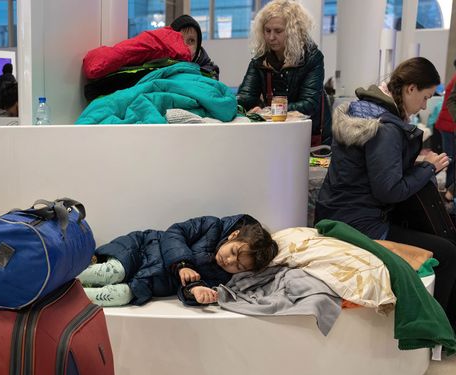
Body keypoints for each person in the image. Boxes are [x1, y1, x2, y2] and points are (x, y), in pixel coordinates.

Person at [315, 57, 456, 327]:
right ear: (410, 89)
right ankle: (439, 331)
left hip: (340, 214)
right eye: (425, 97)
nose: (425, 106)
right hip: (362, 225)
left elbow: (369, 171)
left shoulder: (363, 111)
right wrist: (428, 169)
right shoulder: (387, 128)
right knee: (448, 253)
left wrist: (410, 164)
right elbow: (389, 190)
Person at [77, 215, 278, 307]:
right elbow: (174, 232)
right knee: (114, 272)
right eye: (233, 252)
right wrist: (183, 264)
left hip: (148, 281)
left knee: (121, 295)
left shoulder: (223, 275)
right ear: (234, 235)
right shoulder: (212, 226)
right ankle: (61, 277)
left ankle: (69, 298)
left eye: (239, 266)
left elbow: (188, 287)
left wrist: (195, 291)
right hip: (142, 249)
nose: (229, 261)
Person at [237, 0, 332, 146]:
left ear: (294, 31)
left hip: (310, 135)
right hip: (276, 133)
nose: (271, 37)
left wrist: (266, 112)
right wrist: (228, 105)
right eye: (267, 30)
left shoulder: (312, 58)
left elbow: (308, 104)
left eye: (278, 31)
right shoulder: (259, 61)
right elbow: (246, 97)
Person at [170, 14, 220, 79]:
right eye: (179, 40)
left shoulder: (210, 74)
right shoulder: (158, 68)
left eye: (191, 41)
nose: (185, 46)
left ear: (197, 46)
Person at [435, 59, 456, 200]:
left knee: (451, 158)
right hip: (448, 124)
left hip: (448, 123)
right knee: (451, 158)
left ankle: (450, 191)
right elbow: (451, 101)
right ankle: (449, 192)